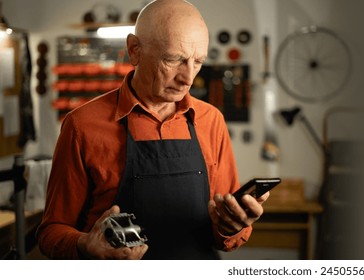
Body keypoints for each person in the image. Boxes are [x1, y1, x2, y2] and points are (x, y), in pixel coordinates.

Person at [36, 0, 268, 260]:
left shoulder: (210, 120)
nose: (188, 78)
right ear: (134, 50)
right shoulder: (82, 125)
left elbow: (225, 237)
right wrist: (85, 245)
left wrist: (231, 226)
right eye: (173, 60)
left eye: (198, 62)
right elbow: (50, 233)